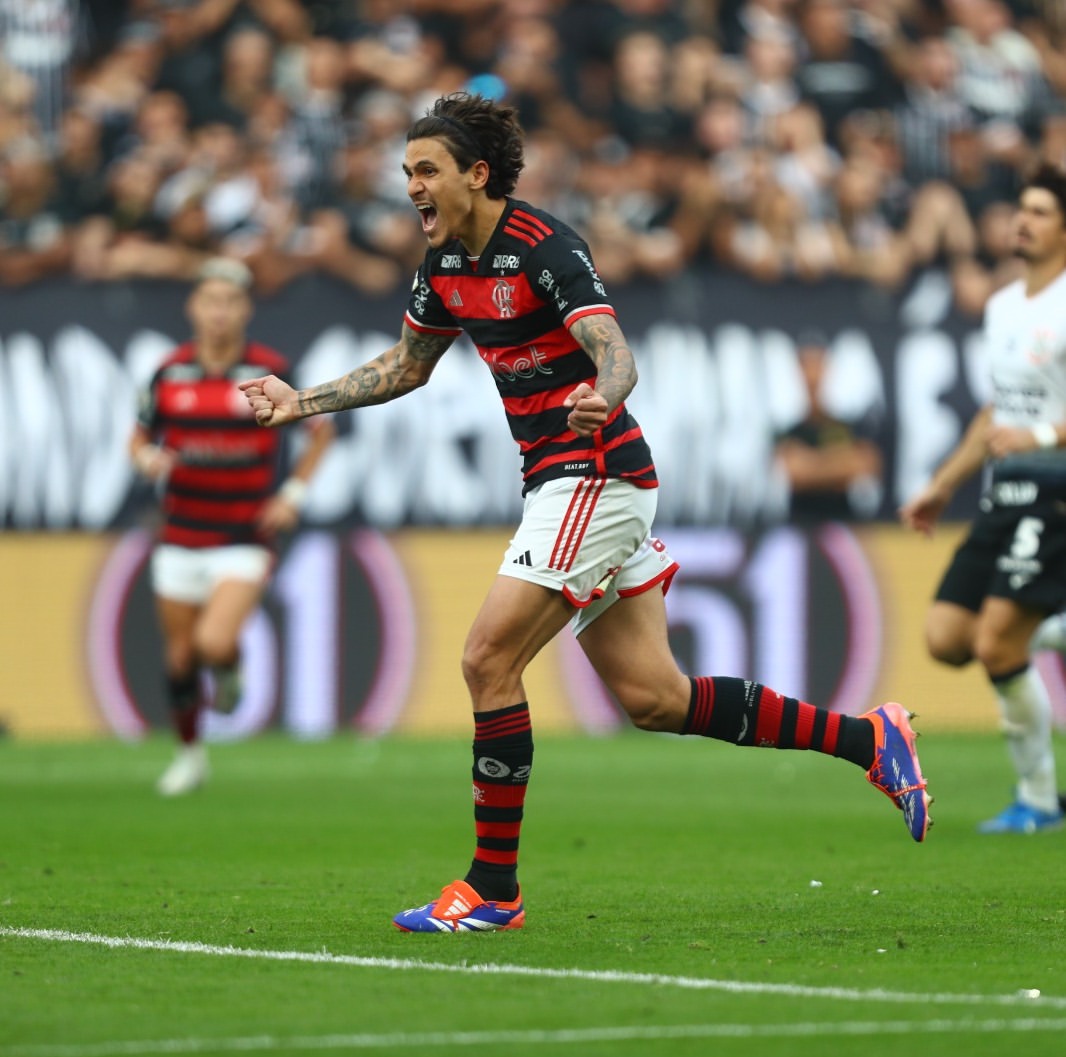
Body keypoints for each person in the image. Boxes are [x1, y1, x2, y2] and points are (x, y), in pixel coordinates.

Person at [240, 92, 931, 934]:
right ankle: (871, 739)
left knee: (486, 660)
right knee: (657, 698)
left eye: (426, 170)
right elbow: (409, 365)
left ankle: (493, 890)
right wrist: (299, 402)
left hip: (593, 471)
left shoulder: (544, 247)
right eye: (406, 173)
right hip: (563, 480)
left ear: (476, 174)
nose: (412, 186)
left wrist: (602, 397)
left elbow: (614, 350)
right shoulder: (442, 268)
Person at [900, 162, 1066, 834]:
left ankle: (1040, 801)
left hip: (1056, 493)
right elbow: (996, 412)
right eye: (1020, 209)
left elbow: (1026, 421)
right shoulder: (1002, 307)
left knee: (998, 645)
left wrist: (1041, 432)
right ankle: (1048, 623)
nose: (1021, 221)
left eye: (1039, 211)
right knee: (947, 639)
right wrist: (940, 486)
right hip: (1006, 491)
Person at [129, 256, 334, 796]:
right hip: (180, 531)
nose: (219, 312)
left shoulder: (267, 369)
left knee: (213, 642)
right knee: (178, 656)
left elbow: (320, 433)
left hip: (244, 533)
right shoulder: (168, 373)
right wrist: (146, 458)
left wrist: (292, 494)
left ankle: (228, 669)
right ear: (193, 307)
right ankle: (190, 755)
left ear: (245, 310)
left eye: (230, 302)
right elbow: (139, 435)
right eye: (210, 301)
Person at [774, 331, 884, 523]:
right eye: (806, 365)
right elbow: (792, 473)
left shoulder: (847, 425)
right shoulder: (787, 427)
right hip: (799, 529)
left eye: (818, 364)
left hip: (843, 528)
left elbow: (866, 464)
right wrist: (838, 462)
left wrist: (812, 463)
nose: (812, 375)